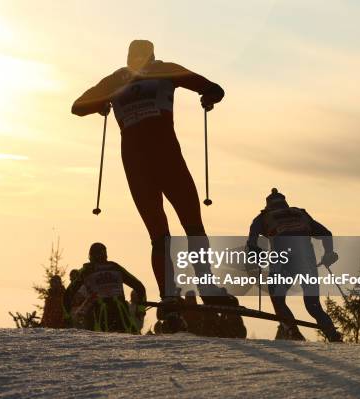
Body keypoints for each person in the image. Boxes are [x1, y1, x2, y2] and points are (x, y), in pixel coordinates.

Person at [72, 40, 243, 327]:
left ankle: (177, 296)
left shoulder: (121, 78)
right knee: (183, 228)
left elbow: (79, 107)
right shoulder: (157, 71)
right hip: (163, 160)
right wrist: (209, 97)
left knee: (171, 232)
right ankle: (191, 292)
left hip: (142, 165)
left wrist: (101, 102)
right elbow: (78, 107)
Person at [247, 188, 342, 342]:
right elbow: (327, 234)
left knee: (278, 299)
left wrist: (256, 254)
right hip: (306, 260)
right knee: (313, 305)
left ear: (268, 205)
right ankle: (333, 335)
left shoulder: (263, 217)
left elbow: (252, 242)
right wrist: (328, 254)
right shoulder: (300, 214)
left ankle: (293, 332)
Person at [64, 243, 146, 333]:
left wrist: (67, 316)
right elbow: (140, 287)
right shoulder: (115, 267)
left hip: (101, 313)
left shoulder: (87, 270)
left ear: (90, 255)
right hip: (121, 311)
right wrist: (141, 308)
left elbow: (68, 294)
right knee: (126, 339)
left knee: (103, 342)